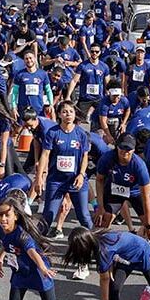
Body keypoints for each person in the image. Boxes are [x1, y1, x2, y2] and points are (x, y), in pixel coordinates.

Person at [0, 193, 65, 300]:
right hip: (20, 273)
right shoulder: (1, 230)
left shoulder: (22, 235)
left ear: (16, 216)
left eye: (7, 215)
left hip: (39, 273)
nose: (3, 219)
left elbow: (33, 253)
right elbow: (6, 243)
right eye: (0, 215)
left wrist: (44, 269)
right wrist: (0, 260)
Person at [36, 101, 92, 238]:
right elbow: (45, 155)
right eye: (65, 112)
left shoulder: (81, 134)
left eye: (71, 112)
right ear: (59, 114)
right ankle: (35, 244)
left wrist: (81, 174)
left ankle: (96, 245)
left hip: (76, 180)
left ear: (75, 114)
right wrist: (39, 178)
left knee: (84, 216)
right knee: (48, 215)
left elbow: (85, 156)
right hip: (56, 181)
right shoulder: (53, 133)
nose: (68, 115)